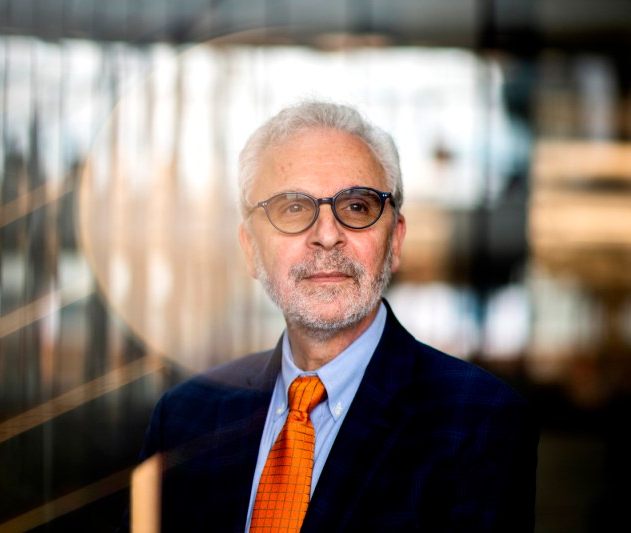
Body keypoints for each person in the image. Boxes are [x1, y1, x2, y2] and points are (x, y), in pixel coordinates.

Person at [128, 100, 538, 532]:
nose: (327, 236)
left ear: (395, 242)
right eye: (293, 209)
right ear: (250, 249)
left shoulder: (478, 422)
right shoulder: (184, 420)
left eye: (357, 207)